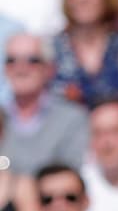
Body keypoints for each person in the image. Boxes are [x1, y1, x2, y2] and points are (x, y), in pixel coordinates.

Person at [0, 31, 88, 175]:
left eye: (32, 60)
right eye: (11, 60)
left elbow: (70, 174)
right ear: (4, 69)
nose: (21, 68)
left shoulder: (72, 119)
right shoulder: (1, 117)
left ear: (49, 69)